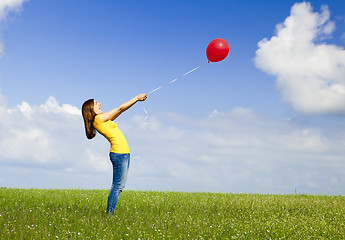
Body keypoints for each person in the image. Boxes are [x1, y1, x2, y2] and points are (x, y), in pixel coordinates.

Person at [81, 94, 147, 215]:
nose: (99, 104)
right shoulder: (98, 119)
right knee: (117, 186)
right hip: (119, 154)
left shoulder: (103, 120)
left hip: (123, 154)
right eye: (96, 103)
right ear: (91, 109)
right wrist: (136, 99)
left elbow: (119, 112)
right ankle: (109, 215)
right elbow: (120, 108)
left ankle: (109, 214)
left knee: (119, 186)